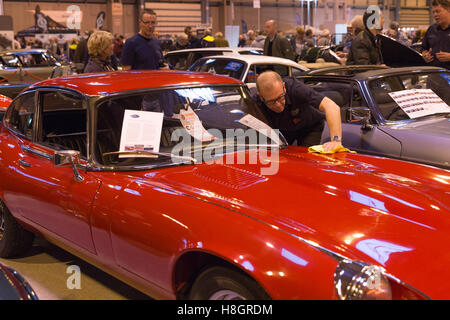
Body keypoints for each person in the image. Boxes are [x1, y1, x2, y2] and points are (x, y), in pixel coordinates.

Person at [253, 71, 342, 152]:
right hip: (281, 131)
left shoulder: (296, 88)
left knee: (306, 157)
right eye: (271, 102)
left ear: (284, 87)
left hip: (309, 127)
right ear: (261, 97)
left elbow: (331, 106)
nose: (278, 105)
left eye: (280, 98)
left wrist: (336, 140)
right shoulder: (254, 104)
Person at [422, 0, 450, 69]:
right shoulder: (431, 29)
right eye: (433, 12)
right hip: (434, 74)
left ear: (448, 10)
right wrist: (425, 55)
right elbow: (424, 48)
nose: (435, 15)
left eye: (438, 11)